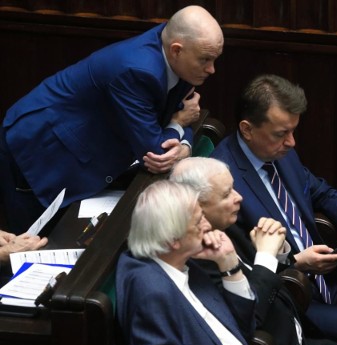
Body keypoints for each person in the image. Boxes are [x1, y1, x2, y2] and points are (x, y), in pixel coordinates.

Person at [116, 180, 332, 345]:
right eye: (198, 222)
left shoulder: (184, 260)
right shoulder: (150, 289)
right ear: (173, 239)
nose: (208, 225)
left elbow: (244, 325)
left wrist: (229, 265)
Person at [0, 5, 223, 234]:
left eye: (215, 59)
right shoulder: (137, 71)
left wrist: (182, 139)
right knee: (29, 244)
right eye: (206, 60)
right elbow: (156, 152)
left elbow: (182, 112)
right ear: (176, 50)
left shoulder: (181, 55)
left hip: (82, 142)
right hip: (40, 150)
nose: (212, 69)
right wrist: (178, 125)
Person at [170, 156, 337, 345]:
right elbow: (246, 316)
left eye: (234, 188)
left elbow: (256, 273)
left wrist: (279, 254)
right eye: (226, 194)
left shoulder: (224, 227)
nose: (238, 198)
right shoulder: (198, 256)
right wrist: (265, 256)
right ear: (195, 206)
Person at [213, 74, 337, 340]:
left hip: (329, 283)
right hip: (289, 299)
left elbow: (320, 190)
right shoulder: (223, 182)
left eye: (292, 131)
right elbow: (239, 264)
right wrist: (296, 263)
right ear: (247, 129)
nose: (292, 142)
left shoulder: (279, 151)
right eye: (281, 134)